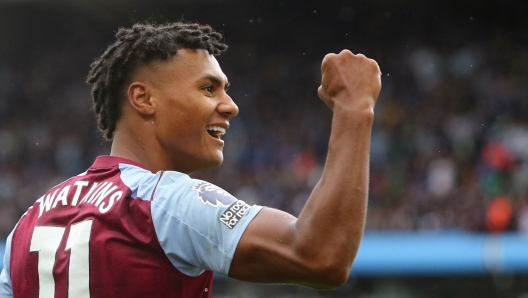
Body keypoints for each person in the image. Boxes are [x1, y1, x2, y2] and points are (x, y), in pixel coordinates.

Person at [0, 21, 381, 297]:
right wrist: (354, 109)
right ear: (144, 99)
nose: (230, 106)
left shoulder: (27, 225)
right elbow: (319, 255)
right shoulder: (165, 202)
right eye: (207, 88)